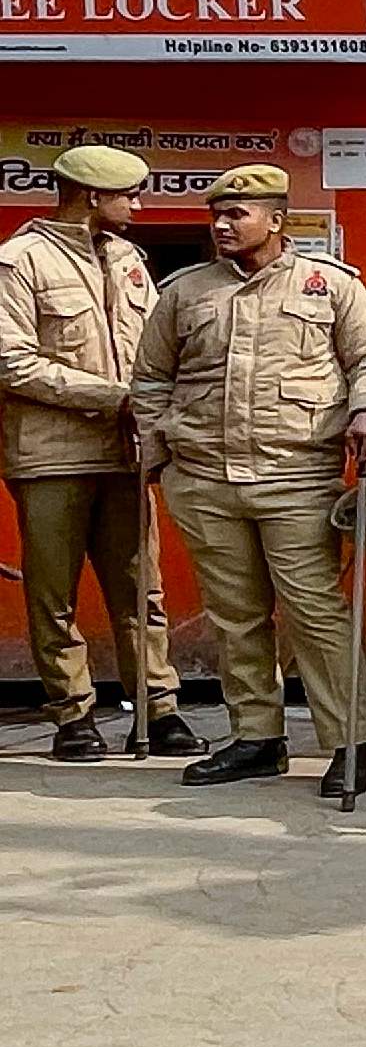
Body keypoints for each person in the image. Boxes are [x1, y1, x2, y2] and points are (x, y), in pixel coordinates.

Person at [133, 166, 366, 802]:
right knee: (236, 615)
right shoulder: (184, 292)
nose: (224, 224)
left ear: (276, 220)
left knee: (315, 612)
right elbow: (149, 380)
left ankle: (349, 741)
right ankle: (256, 737)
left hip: (297, 475)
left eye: (239, 213)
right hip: (203, 479)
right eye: (217, 215)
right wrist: (162, 455)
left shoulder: (330, 286)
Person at [0, 144, 191, 756]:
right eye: (127, 196)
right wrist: (114, 397)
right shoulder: (19, 262)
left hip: (126, 454)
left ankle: (159, 710)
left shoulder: (131, 259)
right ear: (91, 198)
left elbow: (158, 349)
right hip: (50, 455)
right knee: (53, 593)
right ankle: (72, 715)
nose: (136, 206)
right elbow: (11, 361)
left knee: (143, 588)